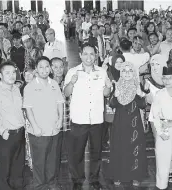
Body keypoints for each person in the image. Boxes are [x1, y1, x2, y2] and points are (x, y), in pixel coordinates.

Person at [63, 43, 113, 190]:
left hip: (97, 118)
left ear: (96, 56)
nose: (89, 57)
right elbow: (66, 93)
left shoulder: (102, 72)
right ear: (80, 55)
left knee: (96, 152)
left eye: (92, 54)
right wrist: (71, 83)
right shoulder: (72, 71)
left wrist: (108, 87)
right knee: (76, 152)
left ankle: (94, 179)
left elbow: (106, 94)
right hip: (79, 118)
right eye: (85, 54)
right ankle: (77, 180)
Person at [24, 57, 64, 190]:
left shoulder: (54, 84)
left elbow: (60, 103)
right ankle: (40, 185)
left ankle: (52, 183)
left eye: (47, 66)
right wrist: (35, 126)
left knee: (53, 160)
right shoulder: (30, 86)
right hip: (38, 131)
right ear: (36, 69)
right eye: (41, 67)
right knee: (39, 161)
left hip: (54, 130)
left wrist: (60, 120)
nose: (44, 69)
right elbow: (28, 108)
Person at [0, 61, 26, 190]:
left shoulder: (16, 89)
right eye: (7, 73)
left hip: (20, 134)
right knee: (5, 171)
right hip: (6, 136)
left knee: (19, 168)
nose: (11, 75)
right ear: (0, 75)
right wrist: (2, 131)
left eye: (13, 72)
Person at [108, 61, 147, 187]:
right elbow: (112, 104)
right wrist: (116, 95)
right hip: (119, 123)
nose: (127, 73)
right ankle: (117, 175)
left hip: (134, 124)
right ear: (121, 73)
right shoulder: (117, 85)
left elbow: (142, 105)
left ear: (133, 72)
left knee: (134, 149)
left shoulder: (137, 85)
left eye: (130, 70)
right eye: (124, 71)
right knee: (119, 148)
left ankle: (135, 176)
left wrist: (140, 94)